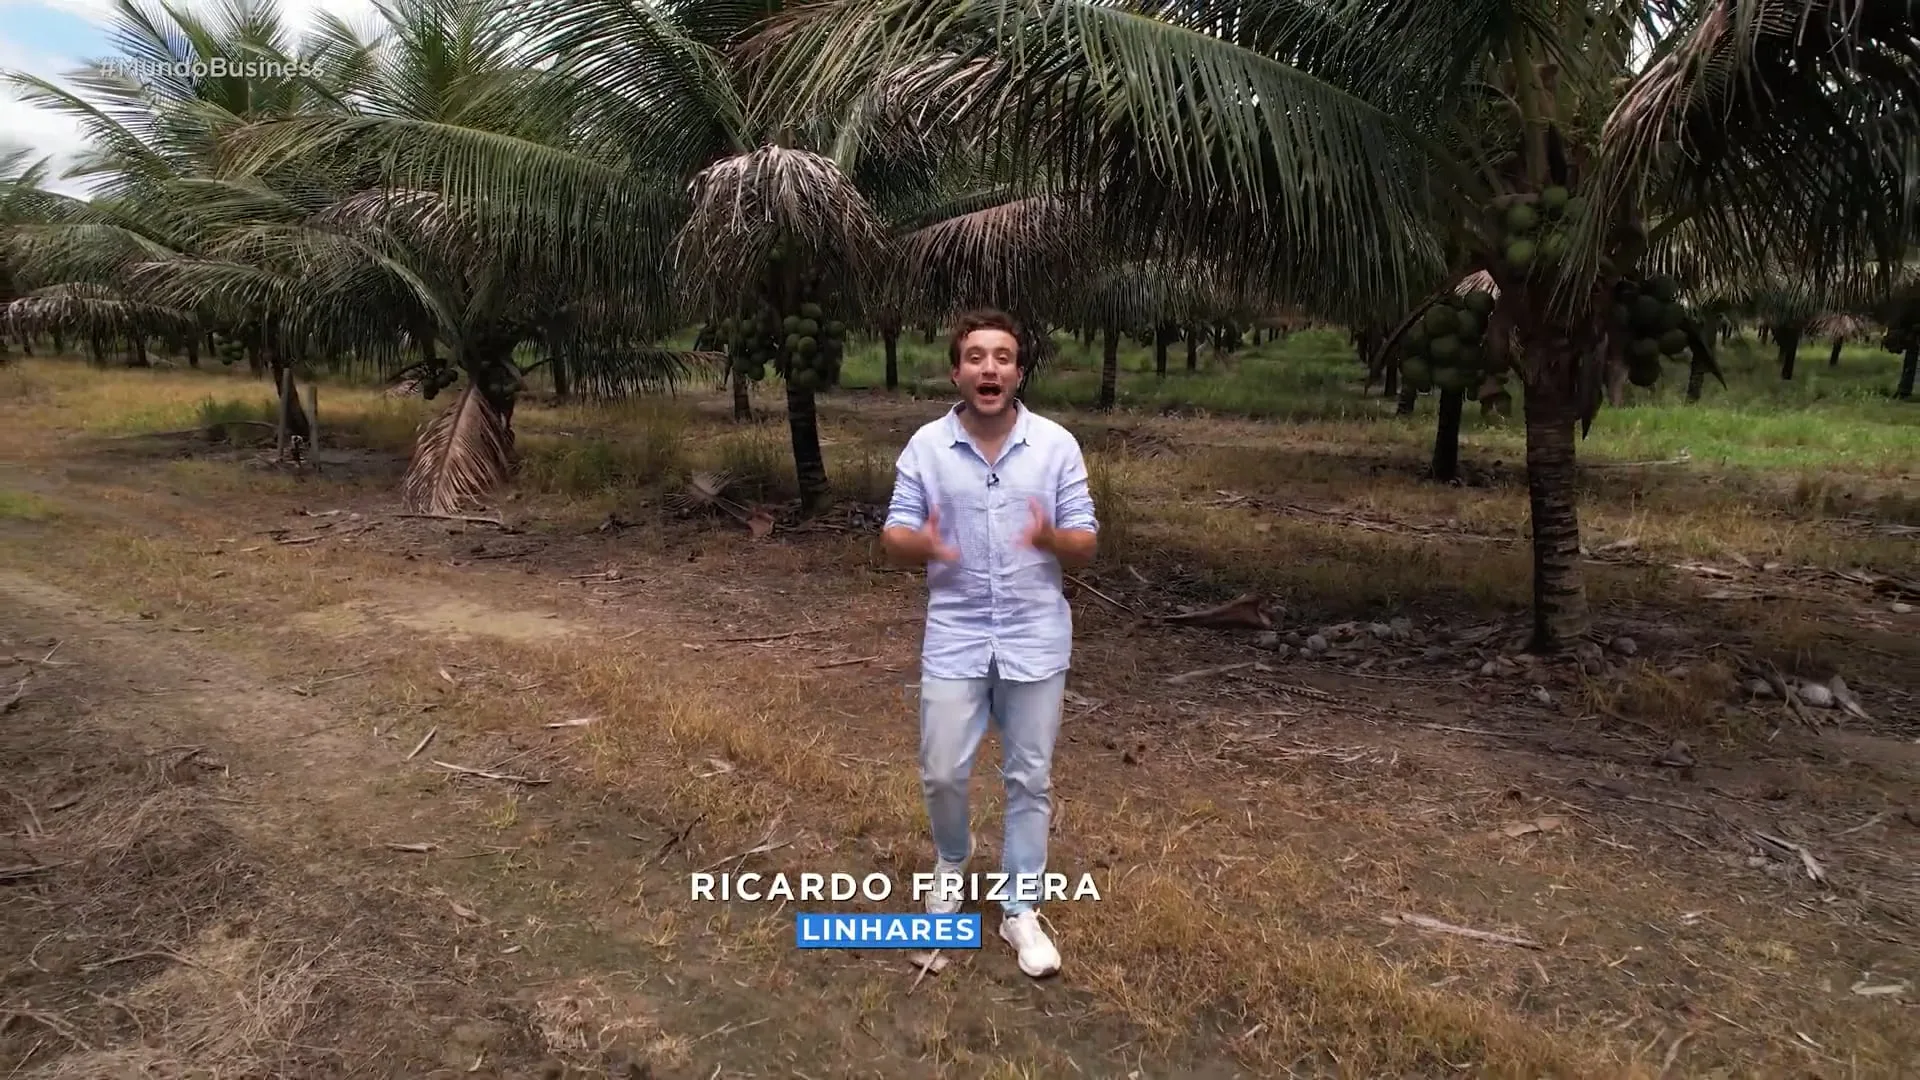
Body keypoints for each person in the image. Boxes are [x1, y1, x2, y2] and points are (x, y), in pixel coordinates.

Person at [880, 308, 1098, 978]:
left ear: (1018, 372)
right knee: (942, 770)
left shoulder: (1057, 446)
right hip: (957, 634)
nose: (989, 367)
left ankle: (1020, 906)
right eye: (976, 356)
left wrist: (1049, 539)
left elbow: (1085, 542)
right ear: (957, 372)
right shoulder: (925, 448)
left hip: (1035, 636)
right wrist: (919, 543)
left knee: (1029, 776)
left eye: (1002, 356)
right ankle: (951, 860)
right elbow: (894, 531)